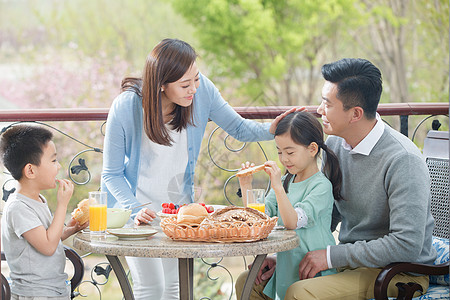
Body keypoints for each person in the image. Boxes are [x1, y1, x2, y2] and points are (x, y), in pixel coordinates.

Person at [101, 38, 301, 300]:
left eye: (196, 78)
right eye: (185, 84)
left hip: (180, 216)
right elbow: (111, 174)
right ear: (161, 84)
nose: (194, 88)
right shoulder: (127, 106)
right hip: (136, 214)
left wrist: (270, 130)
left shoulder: (201, 90)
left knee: (175, 288)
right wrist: (135, 208)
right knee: (151, 288)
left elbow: (238, 128)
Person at [284, 58, 437, 299]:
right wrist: (288, 254)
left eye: (327, 104)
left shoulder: (402, 160)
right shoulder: (335, 144)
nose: (319, 110)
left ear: (355, 114)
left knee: (298, 293)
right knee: (253, 283)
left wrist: (331, 256)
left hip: (397, 273)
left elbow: (406, 245)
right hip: (350, 263)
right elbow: (325, 212)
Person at [235, 111, 343, 300]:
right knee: (247, 281)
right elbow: (258, 218)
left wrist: (277, 186)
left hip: (311, 273)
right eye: (279, 152)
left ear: (312, 149)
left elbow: (293, 221)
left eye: (290, 152)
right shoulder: (285, 181)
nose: (284, 159)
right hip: (287, 267)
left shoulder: (321, 186)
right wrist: (246, 187)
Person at [0, 124, 87, 300]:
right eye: (53, 161)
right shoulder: (18, 208)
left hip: (52, 289)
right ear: (31, 170)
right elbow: (47, 247)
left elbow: (44, 239)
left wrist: (70, 230)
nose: (59, 166)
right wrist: (63, 205)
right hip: (34, 293)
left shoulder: (37, 200)